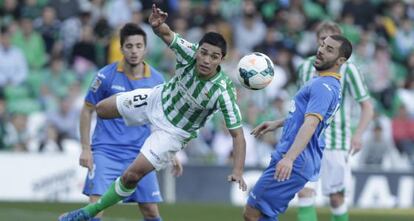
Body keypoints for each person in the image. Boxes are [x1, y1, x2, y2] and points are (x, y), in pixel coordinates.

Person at [59, 4, 247, 221]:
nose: (206, 60)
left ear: (221, 60)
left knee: (131, 176)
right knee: (101, 110)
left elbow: (238, 135)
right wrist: (157, 25)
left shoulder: (223, 91)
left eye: (213, 57)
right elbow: (166, 34)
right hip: (156, 99)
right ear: (197, 50)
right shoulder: (188, 52)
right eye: (203, 52)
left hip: (173, 132)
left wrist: (238, 170)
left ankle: (86, 213)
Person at [243, 34, 353, 221]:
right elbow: (305, 118)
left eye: (329, 49)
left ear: (341, 60)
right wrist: (278, 123)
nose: (321, 50)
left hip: (295, 158)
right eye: (323, 45)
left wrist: (289, 159)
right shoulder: (331, 85)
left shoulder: (322, 87)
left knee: (252, 213)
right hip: (302, 159)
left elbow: (311, 124)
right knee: (263, 214)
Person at [78, 23, 175, 221]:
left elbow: (163, 119)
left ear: (145, 49)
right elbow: (87, 110)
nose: (134, 51)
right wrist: (86, 148)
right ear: (121, 48)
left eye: (139, 46)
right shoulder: (105, 76)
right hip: (106, 151)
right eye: (129, 46)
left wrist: (171, 152)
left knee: (151, 212)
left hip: (140, 153)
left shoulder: (157, 80)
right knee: (95, 209)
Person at [296, 21, 373, 221]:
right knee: (304, 192)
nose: (324, 45)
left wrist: (358, 134)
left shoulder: (350, 70)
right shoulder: (305, 67)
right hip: (309, 141)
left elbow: (367, 106)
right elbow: (299, 106)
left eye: (330, 42)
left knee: (336, 199)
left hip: (336, 143)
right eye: (322, 40)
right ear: (317, 40)